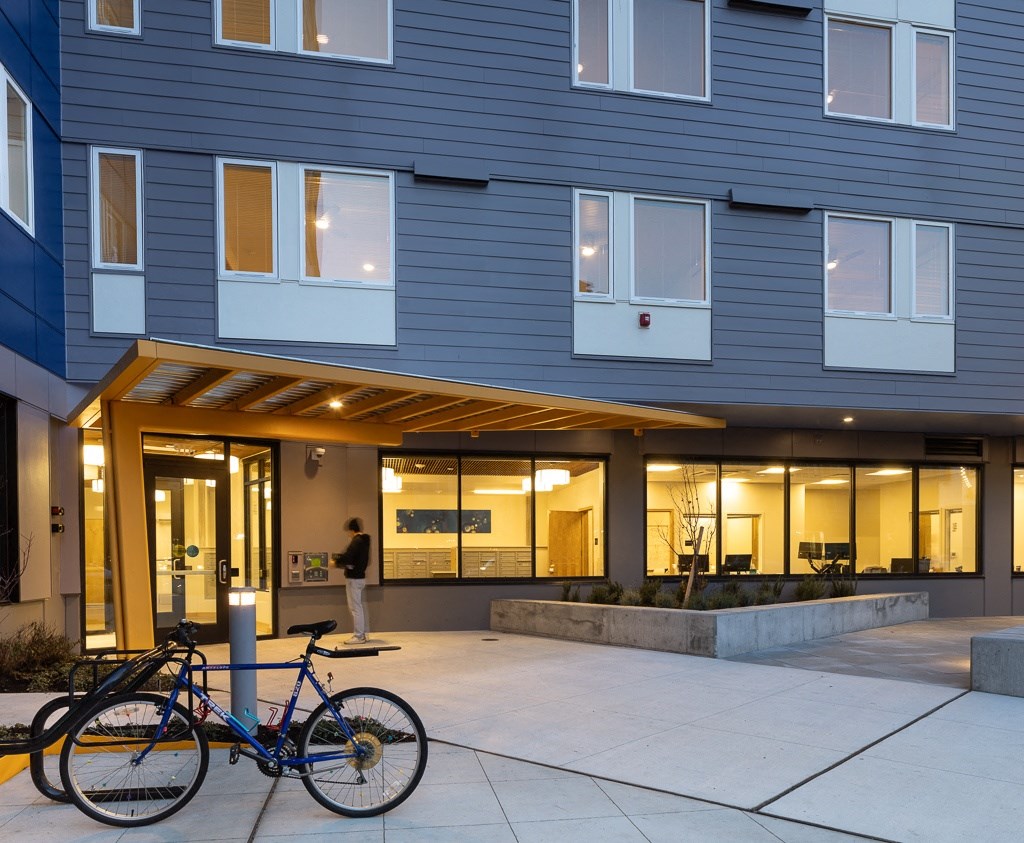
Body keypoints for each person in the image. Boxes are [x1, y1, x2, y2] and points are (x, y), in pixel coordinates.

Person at [334, 517, 370, 644]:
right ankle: (361, 634)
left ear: (351, 530)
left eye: (348, 531)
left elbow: (349, 557)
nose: (348, 534)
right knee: (357, 607)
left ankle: (359, 636)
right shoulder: (364, 541)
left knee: (355, 608)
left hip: (354, 579)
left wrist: (336, 562)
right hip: (359, 578)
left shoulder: (357, 541)